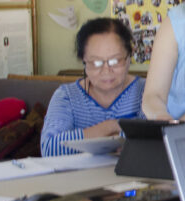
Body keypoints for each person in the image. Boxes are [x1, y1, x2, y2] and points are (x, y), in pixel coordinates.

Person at [40, 18, 144, 157]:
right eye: (96, 62)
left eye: (115, 60)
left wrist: (82, 140)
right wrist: (111, 126)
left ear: (128, 57)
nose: (106, 70)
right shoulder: (67, 96)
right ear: (84, 61)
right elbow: (50, 149)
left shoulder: (146, 91)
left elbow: (156, 141)